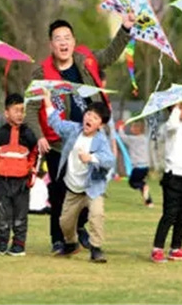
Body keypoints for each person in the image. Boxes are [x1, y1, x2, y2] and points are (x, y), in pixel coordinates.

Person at [24, 13, 135, 254]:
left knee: (89, 188)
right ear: (51, 44)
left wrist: (125, 28)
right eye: (57, 39)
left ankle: (80, 228)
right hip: (58, 143)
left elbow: (111, 53)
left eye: (67, 38)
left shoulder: (86, 61)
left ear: (73, 41)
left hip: (90, 141)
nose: (63, 43)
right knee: (59, 193)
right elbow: (31, 109)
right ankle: (59, 239)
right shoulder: (40, 73)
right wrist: (39, 135)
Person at [43, 89, 115, 263]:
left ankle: (96, 248)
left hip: (92, 188)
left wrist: (91, 158)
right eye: (88, 114)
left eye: (95, 118)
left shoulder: (101, 140)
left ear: (101, 125)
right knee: (65, 222)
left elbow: (109, 160)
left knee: (96, 215)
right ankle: (71, 243)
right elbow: (57, 124)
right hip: (73, 188)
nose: (89, 119)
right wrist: (47, 102)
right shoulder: (74, 130)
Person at [0, 93, 38, 256]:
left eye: (22, 111)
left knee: (20, 215)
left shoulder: (29, 135)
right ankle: (2, 244)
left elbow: (34, 153)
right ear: (6, 113)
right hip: (3, 182)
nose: (20, 114)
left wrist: (31, 169)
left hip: (22, 182)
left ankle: (18, 245)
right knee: (3, 215)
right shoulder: (0, 134)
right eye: (16, 110)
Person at [150, 102, 182, 263]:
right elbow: (172, 124)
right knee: (169, 215)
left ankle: (176, 248)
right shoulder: (171, 126)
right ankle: (157, 249)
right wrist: (176, 107)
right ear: (176, 109)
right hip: (173, 178)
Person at [118, 120, 153, 207]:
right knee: (140, 182)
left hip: (138, 166)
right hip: (146, 166)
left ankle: (145, 187)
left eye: (133, 127)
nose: (131, 128)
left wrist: (120, 128)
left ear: (137, 129)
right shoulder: (145, 139)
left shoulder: (133, 139)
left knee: (133, 183)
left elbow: (122, 137)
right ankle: (149, 202)